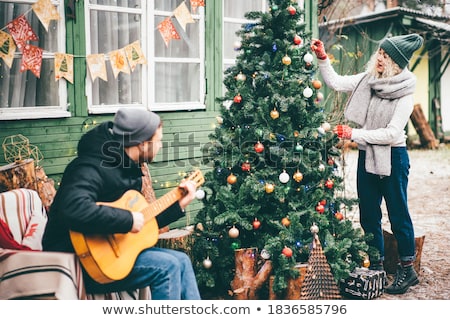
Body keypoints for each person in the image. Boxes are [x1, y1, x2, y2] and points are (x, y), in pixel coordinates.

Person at [42, 107, 201, 300]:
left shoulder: (127, 168)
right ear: (142, 144)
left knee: (182, 260)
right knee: (168, 267)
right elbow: (74, 209)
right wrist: (127, 219)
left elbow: (142, 224)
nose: (160, 146)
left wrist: (179, 205)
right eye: (157, 141)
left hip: (111, 252)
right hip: (78, 259)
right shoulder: (90, 166)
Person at [311, 34, 423, 294]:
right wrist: (323, 58)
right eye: (380, 53)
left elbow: (391, 134)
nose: (380, 58)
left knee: (398, 213)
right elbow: (336, 83)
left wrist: (354, 135)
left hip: (393, 156)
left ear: (397, 63)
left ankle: (407, 270)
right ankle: (377, 265)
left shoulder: (404, 93)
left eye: (386, 56)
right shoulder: (368, 80)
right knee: (369, 214)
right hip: (367, 155)